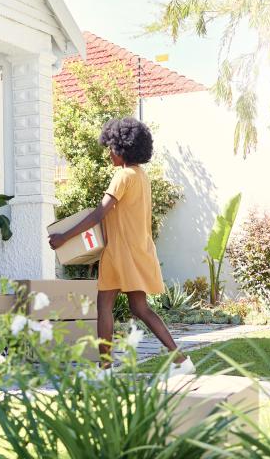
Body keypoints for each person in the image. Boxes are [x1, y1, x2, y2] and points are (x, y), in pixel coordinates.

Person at [48, 117, 194, 376]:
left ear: (122, 148)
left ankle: (104, 368)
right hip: (139, 250)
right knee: (140, 308)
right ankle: (181, 360)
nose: (109, 153)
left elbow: (98, 214)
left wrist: (64, 237)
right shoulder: (141, 175)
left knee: (104, 305)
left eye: (111, 148)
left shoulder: (122, 176)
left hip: (120, 252)